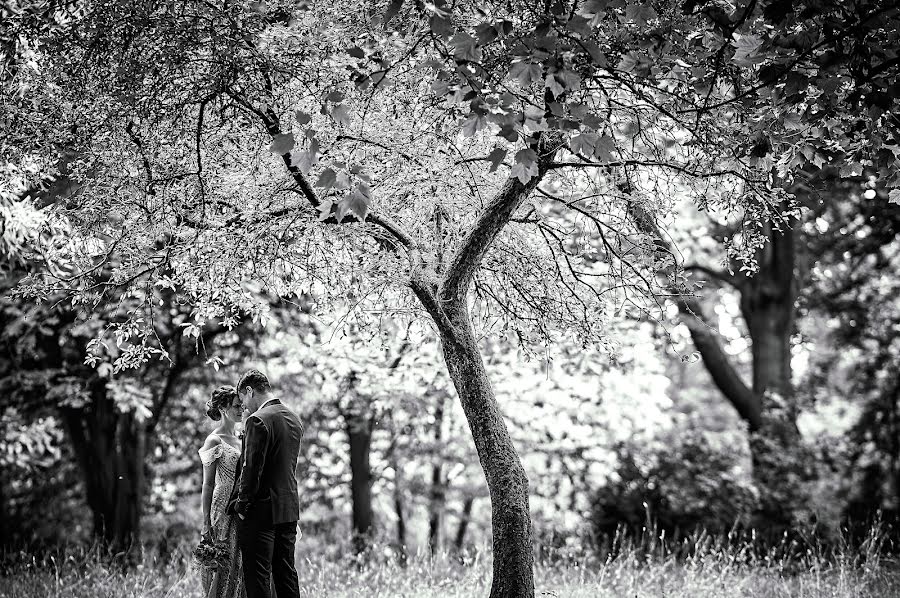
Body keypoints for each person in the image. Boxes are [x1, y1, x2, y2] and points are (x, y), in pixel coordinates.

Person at [229, 369, 304, 598]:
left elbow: (251, 469)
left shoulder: (257, 420)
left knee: (259, 578)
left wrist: (241, 507)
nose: (244, 407)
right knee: (286, 573)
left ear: (249, 391)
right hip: (288, 508)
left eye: (243, 400)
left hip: (260, 513)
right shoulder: (294, 418)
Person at [197, 385, 246, 598]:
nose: (241, 410)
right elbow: (207, 485)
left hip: (242, 506)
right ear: (224, 407)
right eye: (236, 406)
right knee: (222, 561)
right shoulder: (214, 440)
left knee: (241, 562)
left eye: (242, 406)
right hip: (222, 507)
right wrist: (206, 522)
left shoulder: (245, 437)